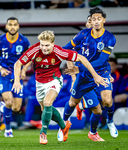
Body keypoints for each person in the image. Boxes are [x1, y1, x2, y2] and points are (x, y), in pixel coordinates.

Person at [12, 30, 107, 145]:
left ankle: (43, 133)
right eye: (42, 45)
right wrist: (17, 81)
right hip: (39, 83)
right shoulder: (35, 50)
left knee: (47, 103)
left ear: (52, 43)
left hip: (54, 80)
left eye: (47, 45)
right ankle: (63, 125)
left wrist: (95, 75)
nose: (44, 48)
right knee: (45, 110)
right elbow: (18, 63)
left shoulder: (59, 51)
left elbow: (82, 58)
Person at [62, 7, 118, 140]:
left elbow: (102, 60)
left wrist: (79, 69)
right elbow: (66, 51)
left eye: (98, 19)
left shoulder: (109, 38)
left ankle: (109, 122)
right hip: (85, 76)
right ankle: (64, 124)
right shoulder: (82, 36)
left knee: (107, 101)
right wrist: (52, 52)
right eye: (93, 20)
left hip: (101, 72)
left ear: (103, 20)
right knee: (73, 103)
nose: (95, 22)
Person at [0, 17, 30, 137]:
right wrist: (0, 69)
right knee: (9, 101)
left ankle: (3, 108)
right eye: (10, 25)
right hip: (4, 74)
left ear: (18, 26)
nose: (12, 27)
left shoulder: (24, 40)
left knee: (16, 108)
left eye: (15, 25)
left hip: (17, 75)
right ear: (6, 27)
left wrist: (24, 69)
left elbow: (29, 58)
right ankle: (7, 129)